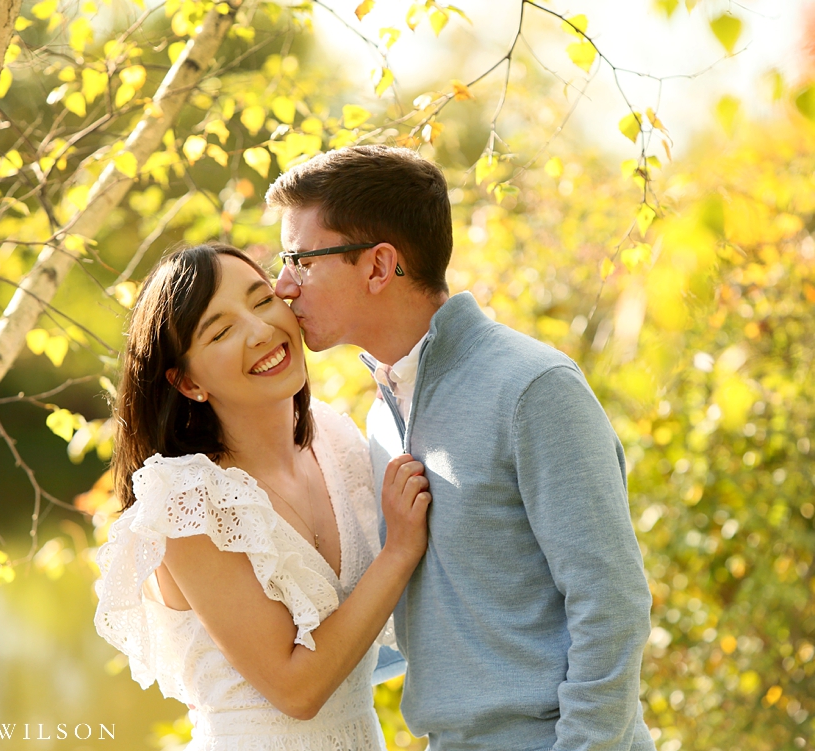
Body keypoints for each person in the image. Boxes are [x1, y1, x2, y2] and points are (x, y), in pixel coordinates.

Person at [266, 145, 656, 751]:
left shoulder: (533, 388)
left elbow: (612, 603)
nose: (282, 285)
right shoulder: (381, 416)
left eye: (299, 259)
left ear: (377, 267)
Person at [93, 243, 432, 750]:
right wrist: (399, 551)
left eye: (261, 300)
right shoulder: (187, 501)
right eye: (222, 330)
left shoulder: (337, 443)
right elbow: (297, 689)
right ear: (187, 382)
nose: (260, 330)